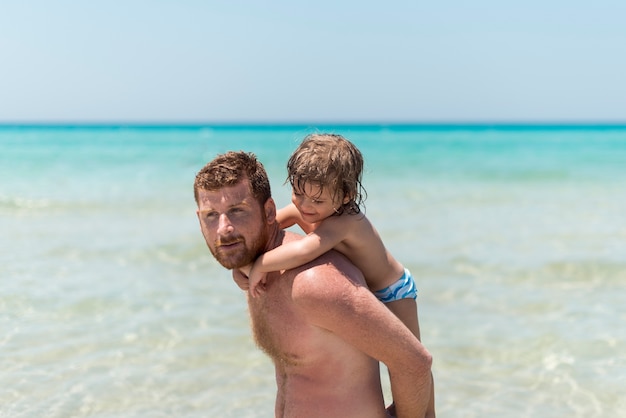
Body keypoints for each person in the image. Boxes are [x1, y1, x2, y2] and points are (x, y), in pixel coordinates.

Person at [194, 151, 432, 417]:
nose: (223, 228)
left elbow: (414, 363)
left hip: (395, 289)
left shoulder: (314, 284)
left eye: (237, 211)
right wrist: (248, 267)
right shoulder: (257, 269)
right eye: (211, 215)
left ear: (269, 211)